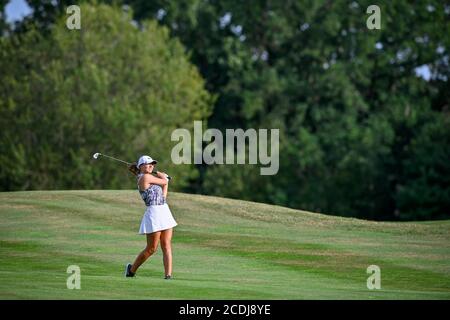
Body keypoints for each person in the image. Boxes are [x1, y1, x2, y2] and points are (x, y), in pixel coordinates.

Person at [124, 155, 177, 279]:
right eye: (148, 164)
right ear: (140, 166)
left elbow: (163, 195)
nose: (151, 166)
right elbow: (164, 181)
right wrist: (163, 177)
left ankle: (168, 276)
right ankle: (131, 270)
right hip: (154, 213)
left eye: (152, 164)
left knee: (166, 244)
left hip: (164, 210)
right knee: (151, 248)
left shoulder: (151, 177)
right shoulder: (145, 177)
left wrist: (164, 181)